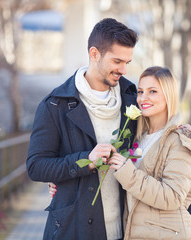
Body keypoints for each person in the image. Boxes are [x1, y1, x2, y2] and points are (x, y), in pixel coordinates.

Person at [26, 18, 139, 240]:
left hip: (127, 229)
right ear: (94, 54)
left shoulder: (132, 98)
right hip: (75, 229)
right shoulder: (54, 105)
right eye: (117, 61)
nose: (123, 69)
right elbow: (36, 166)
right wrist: (85, 160)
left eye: (127, 62)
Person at [108, 66, 191, 240]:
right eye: (140, 91)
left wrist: (127, 171)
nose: (143, 98)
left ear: (168, 95)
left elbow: (173, 196)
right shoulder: (138, 138)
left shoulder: (181, 140)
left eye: (152, 91)